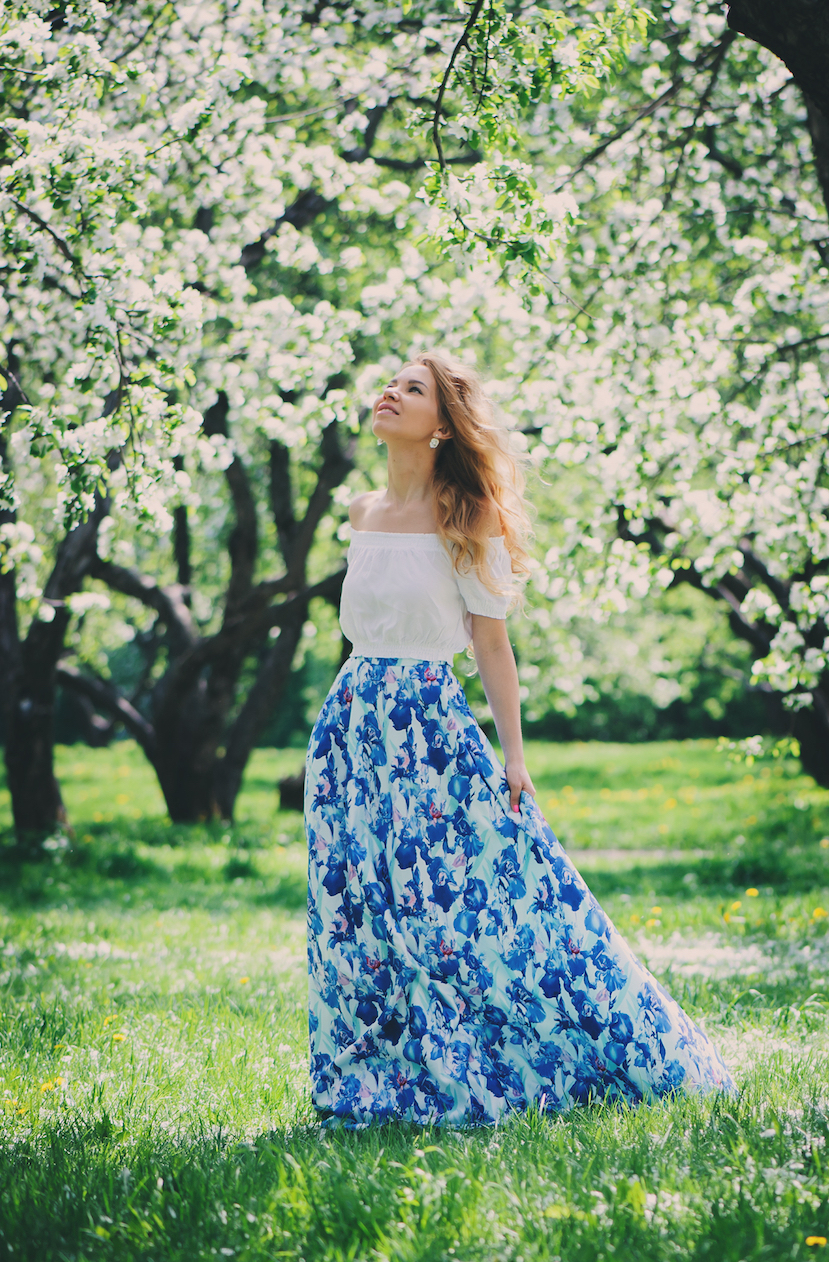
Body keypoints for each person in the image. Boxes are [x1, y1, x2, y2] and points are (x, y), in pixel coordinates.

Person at [305, 351, 736, 1127]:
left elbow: (491, 644)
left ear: (442, 426)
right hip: (354, 727)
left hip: (429, 726)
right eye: (391, 382)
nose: (391, 393)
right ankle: (380, 1074)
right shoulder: (363, 512)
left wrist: (514, 758)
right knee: (363, 913)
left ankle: (511, 1059)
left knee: (455, 912)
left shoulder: (464, 514)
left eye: (413, 389)